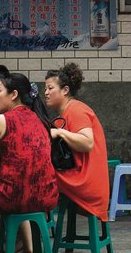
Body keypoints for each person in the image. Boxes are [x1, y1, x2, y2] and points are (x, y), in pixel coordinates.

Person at [0, 72, 58, 224]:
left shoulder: (2, 120)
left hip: (13, 198)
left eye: (1, 91)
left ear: (13, 95)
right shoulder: (40, 119)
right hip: (47, 196)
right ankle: (23, 244)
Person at [44, 62, 110, 223]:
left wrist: (60, 132)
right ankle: (36, 229)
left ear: (65, 90)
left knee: (35, 177)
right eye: (45, 89)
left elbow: (87, 143)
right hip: (82, 178)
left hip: (86, 182)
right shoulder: (67, 112)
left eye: (50, 88)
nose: (45, 93)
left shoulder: (76, 109)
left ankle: (31, 234)